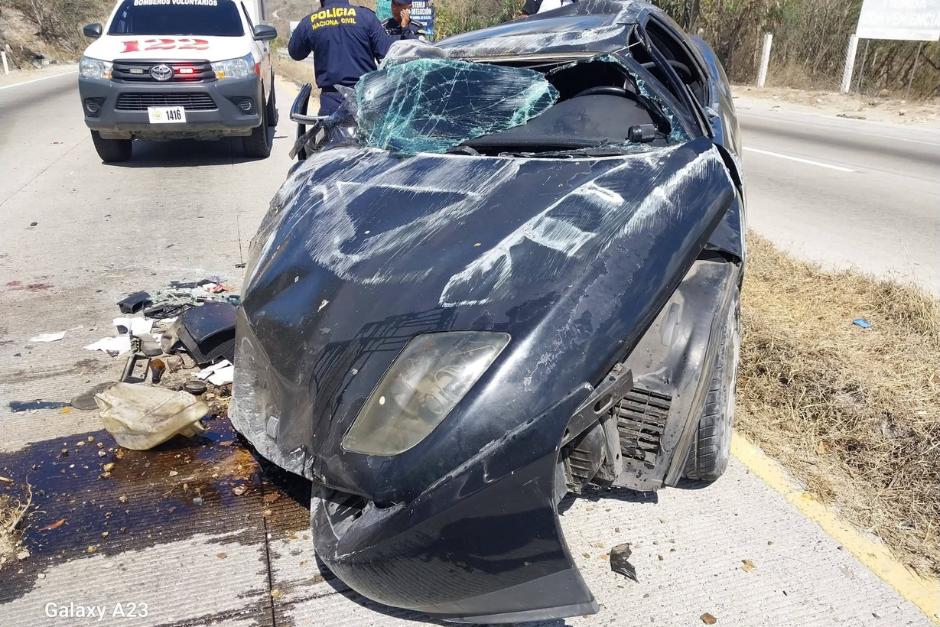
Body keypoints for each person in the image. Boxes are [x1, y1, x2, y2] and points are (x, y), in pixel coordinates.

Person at [288, 0, 404, 115]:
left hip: (331, 101)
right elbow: (387, 53)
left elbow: (295, 53)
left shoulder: (311, 21)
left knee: (327, 132)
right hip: (366, 98)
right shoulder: (366, 17)